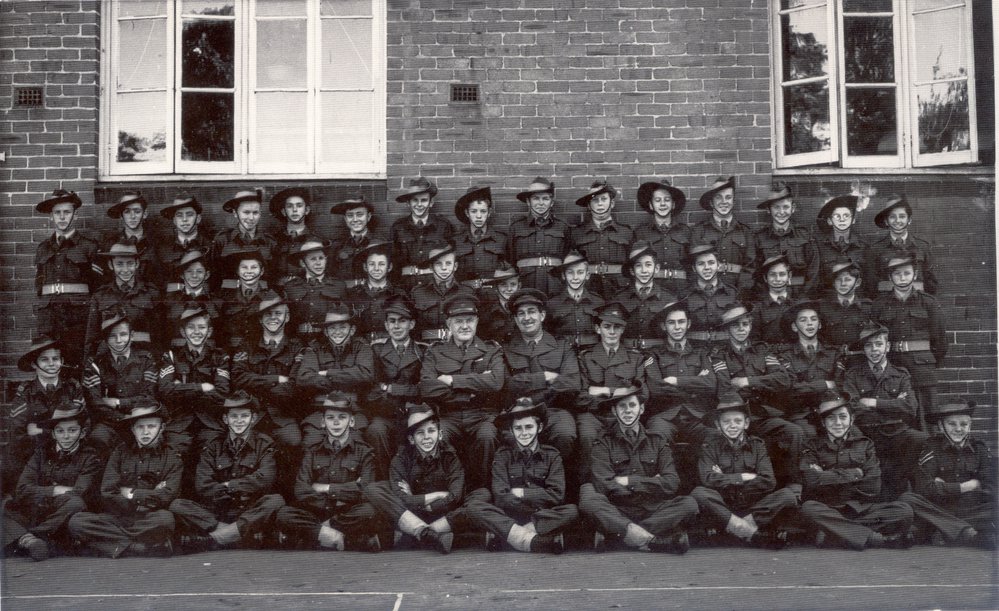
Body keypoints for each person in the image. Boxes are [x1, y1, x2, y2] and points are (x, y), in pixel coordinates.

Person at [579, 384, 698, 553]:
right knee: (588, 496)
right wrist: (652, 483)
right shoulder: (603, 442)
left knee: (689, 504)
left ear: (641, 409)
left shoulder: (657, 441)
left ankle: (618, 535)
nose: (627, 411)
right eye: (622, 406)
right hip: (617, 508)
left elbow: (672, 482)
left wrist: (630, 481)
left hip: (651, 509)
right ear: (614, 411)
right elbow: (602, 485)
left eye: (632, 405)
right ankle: (653, 540)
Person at [798, 392, 915, 550]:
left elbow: (873, 486)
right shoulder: (811, 446)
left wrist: (827, 477)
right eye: (831, 418)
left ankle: (834, 535)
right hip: (828, 509)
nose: (838, 423)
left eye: (842, 417)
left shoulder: (865, 445)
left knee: (904, 511)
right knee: (809, 508)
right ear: (823, 423)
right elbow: (812, 481)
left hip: (860, 510)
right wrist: (856, 473)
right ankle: (876, 539)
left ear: (851, 420)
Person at [170, 391, 284, 553]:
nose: (239, 421)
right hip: (219, 511)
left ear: (253, 419)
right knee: (178, 505)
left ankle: (214, 540)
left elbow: (265, 479)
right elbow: (203, 485)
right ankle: (238, 534)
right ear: (225, 419)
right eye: (234, 416)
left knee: (275, 501)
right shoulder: (213, 446)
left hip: (249, 509)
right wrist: (235, 490)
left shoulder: (264, 444)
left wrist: (229, 485)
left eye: (244, 416)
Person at [68, 402, 182, 558]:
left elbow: (168, 495)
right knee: (77, 522)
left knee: (166, 520)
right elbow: (108, 491)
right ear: (133, 429)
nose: (146, 432)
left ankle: (112, 544)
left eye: (151, 426)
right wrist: (149, 495)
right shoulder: (120, 453)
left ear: (161, 428)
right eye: (140, 427)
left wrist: (131, 493)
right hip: (119, 516)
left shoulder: (172, 457)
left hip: (150, 517)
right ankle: (138, 547)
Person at [465, 398, 577, 554]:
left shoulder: (552, 455)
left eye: (529, 427)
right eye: (518, 428)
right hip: (511, 513)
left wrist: (522, 493)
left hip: (540, 516)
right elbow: (500, 496)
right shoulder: (503, 455)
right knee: (474, 507)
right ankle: (535, 541)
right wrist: (536, 497)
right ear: (511, 431)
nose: (524, 433)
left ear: (540, 427)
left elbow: (557, 495)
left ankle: (510, 536)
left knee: (571, 511)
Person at [419, 294, 507, 490]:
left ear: (476, 322)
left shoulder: (491, 350)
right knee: (437, 437)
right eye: (458, 321)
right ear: (449, 324)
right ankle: (443, 492)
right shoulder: (435, 351)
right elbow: (427, 388)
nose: (464, 326)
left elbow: (495, 383)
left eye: (469, 320)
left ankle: (482, 491)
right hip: (448, 416)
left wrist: (451, 380)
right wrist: (474, 388)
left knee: (488, 436)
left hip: (481, 415)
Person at [275, 394, 383, 551]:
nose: (336, 422)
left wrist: (325, 488)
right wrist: (341, 494)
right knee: (284, 514)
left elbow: (365, 490)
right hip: (318, 510)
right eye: (330, 417)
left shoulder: (364, 452)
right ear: (323, 422)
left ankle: (316, 535)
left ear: (351, 421)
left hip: (347, 512)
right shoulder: (312, 452)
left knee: (369, 511)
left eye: (342, 417)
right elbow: (301, 489)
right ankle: (346, 539)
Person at [364, 404, 475, 554]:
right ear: (411, 439)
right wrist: (436, 495)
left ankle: (420, 533)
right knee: (374, 489)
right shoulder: (402, 458)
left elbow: (455, 496)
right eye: (420, 433)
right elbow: (399, 495)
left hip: (442, 514)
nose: (427, 437)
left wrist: (418, 500)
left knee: (480, 495)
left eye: (431, 431)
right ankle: (426, 533)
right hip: (409, 514)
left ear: (440, 434)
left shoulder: (450, 456)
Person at [709, 304, 800, 487]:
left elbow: (783, 379)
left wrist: (748, 381)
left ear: (750, 325)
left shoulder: (762, 350)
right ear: (728, 330)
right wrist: (765, 381)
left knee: (794, 431)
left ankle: (793, 484)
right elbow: (725, 389)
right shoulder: (720, 355)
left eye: (745, 324)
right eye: (736, 326)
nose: (742, 329)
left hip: (763, 414)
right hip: (736, 417)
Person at [689, 395, 796, 548]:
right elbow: (707, 478)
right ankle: (752, 534)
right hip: (723, 507)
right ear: (718, 425)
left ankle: (732, 529)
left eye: (738, 421)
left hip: (752, 509)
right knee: (699, 493)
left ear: (746, 423)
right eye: (726, 421)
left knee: (787, 496)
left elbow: (768, 480)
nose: (732, 426)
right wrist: (743, 477)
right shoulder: (709, 446)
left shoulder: (758, 446)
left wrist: (724, 478)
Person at [3, 406, 102, 562]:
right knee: (5, 506)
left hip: (63, 516)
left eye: (72, 430)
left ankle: (27, 538)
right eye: (60, 431)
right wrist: (56, 490)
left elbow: (79, 492)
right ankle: (33, 542)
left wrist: (40, 492)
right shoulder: (41, 454)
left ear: (82, 433)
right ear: (54, 434)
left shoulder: (90, 458)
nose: (66, 436)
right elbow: (22, 490)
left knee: (76, 504)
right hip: (35, 511)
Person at [842, 321, 926, 500]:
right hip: (866, 432)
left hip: (895, 431)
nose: (874, 350)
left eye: (879, 344)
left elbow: (911, 407)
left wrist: (873, 402)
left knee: (920, 438)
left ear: (887, 346)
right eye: (868, 345)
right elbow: (853, 406)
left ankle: (900, 489)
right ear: (863, 349)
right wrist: (894, 404)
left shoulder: (901, 374)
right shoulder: (853, 375)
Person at [903, 401, 996, 548]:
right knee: (908, 499)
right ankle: (969, 534)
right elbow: (924, 488)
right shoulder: (931, 447)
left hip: (969, 509)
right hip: (939, 507)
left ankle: (943, 529)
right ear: (941, 426)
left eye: (964, 424)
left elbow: (991, 486)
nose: (958, 429)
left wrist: (942, 486)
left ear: (970, 426)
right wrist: (966, 486)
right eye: (952, 424)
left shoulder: (980, 449)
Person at [502, 289, 580, 463]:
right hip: (518, 411)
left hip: (554, 410)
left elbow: (572, 383)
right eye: (521, 314)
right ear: (515, 320)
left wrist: (526, 385)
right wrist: (546, 377)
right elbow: (507, 384)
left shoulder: (561, 347)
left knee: (565, 433)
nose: (526, 318)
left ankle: (558, 482)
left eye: (531, 312)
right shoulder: (506, 349)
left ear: (542, 315)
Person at [575, 302, 650, 480]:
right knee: (587, 435)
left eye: (617, 327)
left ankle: (628, 483)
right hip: (593, 415)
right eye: (607, 326)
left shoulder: (635, 358)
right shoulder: (585, 358)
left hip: (625, 413)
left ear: (623, 330)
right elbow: (580, 396)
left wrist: (602, 391)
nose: (612, 331)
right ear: (598, 328)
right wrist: (621, 391)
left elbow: (643, 394)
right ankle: (590, 483)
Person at [872, 256, 948, 429]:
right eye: (897, 274)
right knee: (897, 418)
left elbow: (940, 342)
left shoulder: (928, 303)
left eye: (907, 273)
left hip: (922, 369)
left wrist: (928, 361)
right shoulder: (879, 305)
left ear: (915, 275)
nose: (902, 277)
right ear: (890, 277)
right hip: (893, 366)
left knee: (927, 420)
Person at [5, 336, 88, 487]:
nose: (51, 364)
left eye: (55, 359)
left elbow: (85, 423)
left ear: (62, 361)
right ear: (34, 364)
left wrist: (39, 430)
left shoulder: (72, 388)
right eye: (44, 359)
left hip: (69, 456)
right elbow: (18, 435)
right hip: (34, 457)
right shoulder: (25, 393)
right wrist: (57, 432)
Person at [230, 293, 306, 454]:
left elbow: (293, 385)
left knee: (294, 441)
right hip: (251, 416)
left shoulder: (297, 347)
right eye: (268, 314)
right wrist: (276, 379)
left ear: (287, 317)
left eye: (278, 313)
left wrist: (256, 384)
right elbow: (238, 378)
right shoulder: (247, 345)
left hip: (282, 416)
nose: (273, 318)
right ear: (260, 319)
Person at [34, 189, 101, 369]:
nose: (62, 217)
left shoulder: (89, 247)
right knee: (50, 362)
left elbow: (97, 288)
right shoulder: (43, 249)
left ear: (75, 215)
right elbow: (39, 286)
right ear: (51, 216)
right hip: (50, 318)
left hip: (78, 319)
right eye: (57, 213)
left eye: (67, 212)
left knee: (77, 362)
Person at [364, 297, 429, 479]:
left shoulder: (423, 351)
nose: (397, 326)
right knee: (376, 430)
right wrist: (405, 392)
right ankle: (385, 481)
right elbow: (372, 390)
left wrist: (391, 388)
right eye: (392, 321)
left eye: (402, 321)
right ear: (386, 325)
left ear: (412, 324)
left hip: (414, 414)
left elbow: (425, 388)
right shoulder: (376, 350)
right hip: (386, 414)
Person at [293, 304, 376, 446]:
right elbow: (304, 378)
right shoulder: (314, 348)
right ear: (325, 331)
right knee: (310, 441)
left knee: (357, 443)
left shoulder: (362, 347)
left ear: (352, 330)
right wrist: (347, 378)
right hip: (321, 410)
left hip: (353, 410)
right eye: (332, 328)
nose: (337, 332)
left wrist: (327, 373)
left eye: (343, 327)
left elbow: (366, 374)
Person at [157, 306, 230, 453]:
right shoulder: (171, 356)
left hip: (210, 422)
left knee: (213, 447)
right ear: (183, 332)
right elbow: (164, 390)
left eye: (201, 327)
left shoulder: (219, 357)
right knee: (173, 449)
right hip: (179, 422)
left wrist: (181, 388)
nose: (196, 332)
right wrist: (201, 387)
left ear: (209, 332)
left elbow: (222, 392)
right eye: (191, 328)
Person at [645, 299, 718, 446]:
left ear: (688, 324)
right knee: (657, 436)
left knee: (716, 437)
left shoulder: (701, 353)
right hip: (665, 417)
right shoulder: (653, 355)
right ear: (663, 326)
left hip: (698, 417)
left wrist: (675, 381)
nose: (677, 327)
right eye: (671, 323)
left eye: (681, 322)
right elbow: (656, 389)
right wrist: (695, 383)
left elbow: (711, 384)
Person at [82, 313, 159, 452]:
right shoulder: (95, 364)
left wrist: (118, 402)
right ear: (105, 340)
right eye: (112, 336)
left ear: (132, 335)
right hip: (110, 422)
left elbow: (149, 397)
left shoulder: (146, 360)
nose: (118, 340)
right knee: (98, 437)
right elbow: (96, 402)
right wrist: (123, 418)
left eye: (123, 334)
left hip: (142, 419)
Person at [84, 242, 161, 360]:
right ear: (111, 265)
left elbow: (159, 336)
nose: (125, 270)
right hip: (109, 362)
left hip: (143, 361)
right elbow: (92, 338)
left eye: (130, 264)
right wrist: (90, 369)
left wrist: (156, 365)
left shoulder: (151, 294)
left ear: (137, 264)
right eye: (119, 264)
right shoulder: (100, 296)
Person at [777, 300, 845, 433]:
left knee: (855, 435)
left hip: (830, 409)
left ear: (819, 325)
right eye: (803, 320)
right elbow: (790, 388)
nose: (809, 323)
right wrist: (825, 384)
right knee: (809, 434)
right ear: (794, 327)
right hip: (801, 414)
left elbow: (839, 384)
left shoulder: (833, 353)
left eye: (813, 319)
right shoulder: (785, 356)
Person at [507, 177, 571, 295]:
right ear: (528, 201)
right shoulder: (516, 227)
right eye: (536, 198)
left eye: (545, 198)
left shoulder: (562, 227)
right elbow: (511, 259)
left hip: (555, 286)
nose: (541, 203)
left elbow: (568, 258)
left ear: (551, 202)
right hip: (526, 285)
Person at [690, 177, 755, 292]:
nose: (724, 202)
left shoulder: (745, 231)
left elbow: (750, 267)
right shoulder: (699, 230)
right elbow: (695, 265)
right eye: (718, 197)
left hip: (737, 290)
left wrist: (741, 291)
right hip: (708, 291)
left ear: (733, 202)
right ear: (711, 202)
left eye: (728, 197)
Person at [753, 182, 819, 296]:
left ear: (793, 208)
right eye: (776, 207)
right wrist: (768, 298)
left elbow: (814, 270)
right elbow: (755, 273)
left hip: (800, 295)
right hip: (771, 298)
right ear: (769, 210)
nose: (781, 212)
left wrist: (802, 298)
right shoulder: (759, 238)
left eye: (786, 207)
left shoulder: (805, 235)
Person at [570, 180, 633, 299]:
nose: (600, 204)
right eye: (595, 200)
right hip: (588, 292)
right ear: (589, 205)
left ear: (612, 203)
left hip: (620, 292)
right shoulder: (577, 233)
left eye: (604, 199)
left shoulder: (626, 233)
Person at [391, 177, 454, 289]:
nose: (419, 204)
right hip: (406, 286)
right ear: (408, 203)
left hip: (434, 286)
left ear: (431, 203)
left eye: (424, 200)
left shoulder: (443, 225)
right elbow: (393, 263)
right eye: (415, 200)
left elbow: (451, 259)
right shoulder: (398, 227)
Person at [868, 194, 937, 295]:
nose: (897, 221)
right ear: (886, 221)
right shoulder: (876, 249)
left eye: (902, 216)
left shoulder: (922, 247)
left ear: (909, 220)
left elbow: (931, 284)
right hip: (887, 307)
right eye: (892, 217)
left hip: (917, 305)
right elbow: (871, 286)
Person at [632, 179, 691, 296]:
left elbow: (692, 265)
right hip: (652, 291)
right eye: (658, 200)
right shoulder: (641, 233)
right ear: (651, 205)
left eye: (667, 200)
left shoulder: (685, 231)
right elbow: (633, 266)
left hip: (681, 290)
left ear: (673, 204)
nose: (662, 204)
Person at [282, 239, 347, 341]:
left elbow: (345, 319)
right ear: (303, 263)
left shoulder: (338, 286)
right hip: (298, 341)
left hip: (327, 341)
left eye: (321, 258)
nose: (318, 263)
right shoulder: (291, 287)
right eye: (313, 259)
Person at [210, 190, 276, 290]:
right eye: (246, 212)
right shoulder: (223, 240)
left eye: (255, 212)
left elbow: (274, 278)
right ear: (235, 213)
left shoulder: (270, 242)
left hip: (261, 298)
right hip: (228, 298)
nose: (251, 218)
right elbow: (214, 276)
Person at [411, 243, 476, 342]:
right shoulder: (418, 293)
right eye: (438, 263)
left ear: (455, 266)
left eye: (448, 263)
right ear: (431, 267)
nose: (444, 268)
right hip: (427, 348)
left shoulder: (467, 292)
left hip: (458, 348)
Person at [817, 258, 873, 370]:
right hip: (829, 363)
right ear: (833, 283)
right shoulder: (822, 307)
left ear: (857, 283)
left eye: (847, 280)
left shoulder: (868, 308)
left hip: (860, 363)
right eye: (838, 280)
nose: (842, 284)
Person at [619, 241, 677, 350]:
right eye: (638, 266)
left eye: (648, 265)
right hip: (629, 356)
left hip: (659, 356)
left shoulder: (669, 299)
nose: (644, 270)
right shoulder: (620, 299)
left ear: (656, 269)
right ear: (632, 271)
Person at [345, 241, 404, 342]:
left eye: (381, 264)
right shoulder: (353, 295)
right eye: (372, 264)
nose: (376, 269)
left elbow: (405, 326)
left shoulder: (399, 294)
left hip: (391, 346)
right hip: (361, 348)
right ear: (365, 267)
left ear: (389, 267)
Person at [813, 194, 872, 297]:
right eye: (837, 216)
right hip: (827, 302)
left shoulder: (863, 246)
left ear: (853, 220)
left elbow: (870, 281)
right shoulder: (819, 246)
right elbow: (815, 280)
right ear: (830, 221)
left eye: (846, 216)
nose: (842, 220)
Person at [545, 250, 605, 350]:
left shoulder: (598, 302)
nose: (575, 277)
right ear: (563, 276)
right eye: (570, 273)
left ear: (587, 275)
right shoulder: (552, 304)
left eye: (580, 272)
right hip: (563, 354)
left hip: (592, 353)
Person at [682, 243, 739, 346]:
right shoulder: (685, 295)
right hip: (696, 350)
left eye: (711, 263)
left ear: (719, 265)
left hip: (725, 349)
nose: (706, 267)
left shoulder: (732, 293)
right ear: (694, 268)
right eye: (701, 264)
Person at [453, 186, 508, 289]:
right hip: (466, 294)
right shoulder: (457, 240)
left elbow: (510, 271)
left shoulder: (502, 239)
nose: (479, 216)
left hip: (493, 295)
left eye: (483, 211)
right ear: (467, 213)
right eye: (474, 211)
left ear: (489, 212)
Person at [154, 195, 214, 289]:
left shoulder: (211, 247)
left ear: (198, 219)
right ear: (174, 220)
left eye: (189, 214)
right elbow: (160, 283)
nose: (184, 219)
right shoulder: (163, 249)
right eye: (179, 215)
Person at [217, 246, 269, 352]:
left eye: (254, 267)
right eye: (244, 267)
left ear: (262, 271)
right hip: (232, 352)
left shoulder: (270, 298)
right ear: (237, 271)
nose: (249, 271)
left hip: (259, 352)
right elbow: (220, 332)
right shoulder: (225, 297)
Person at [100, 191, 157, 284]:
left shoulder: (156, 242)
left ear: (145, 214)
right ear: (121, 216)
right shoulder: (110, 243)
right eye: (127, 212)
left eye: (137, 211)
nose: (132, 216)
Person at [268, 187, 318, 288]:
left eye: (299, 206)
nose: (294, 210)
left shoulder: (317, 241)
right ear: (284, 211)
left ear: (307, 210)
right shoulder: (273, 240)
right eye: (290, 206)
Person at [161, 250, 221, 330]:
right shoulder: (170, 302)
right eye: (189, 271)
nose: (194, 276)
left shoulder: (217, 303)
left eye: (199, 271)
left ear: (207, 275)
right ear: (182, 275)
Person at [329, 195, 378, 286]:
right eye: (350, 215)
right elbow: (331, 277)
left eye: (360, 215)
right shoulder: (337, 245)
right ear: (345, 219)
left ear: (368, 216)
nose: (355, 220)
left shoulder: (378, 243)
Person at [748, 253, 797, 345]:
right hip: (770, 356)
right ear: (765, 278)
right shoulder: (757, 308)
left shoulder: (798, 303)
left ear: (789, 276)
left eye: (782, 274)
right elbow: (755, 341)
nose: (777, 279)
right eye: (772, 275)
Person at [476, 262, 522, 344]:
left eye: (513, 284)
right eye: (503, 285)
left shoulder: (524, 308)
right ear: (496, 288)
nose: (509, 289)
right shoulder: (486, 312)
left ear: (519, 286)